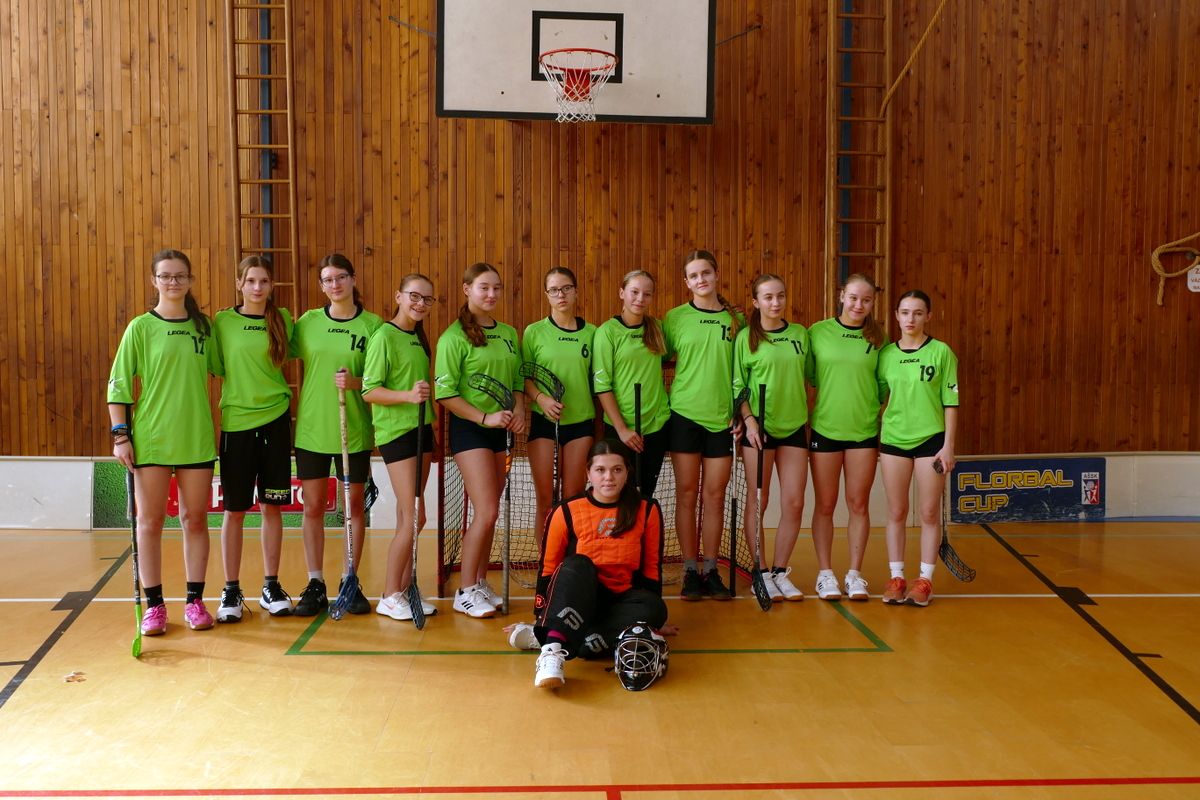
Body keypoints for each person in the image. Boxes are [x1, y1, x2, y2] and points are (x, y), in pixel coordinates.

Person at [108, 249, 218, 634]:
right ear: (154, 280)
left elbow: (227, 367)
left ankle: (195, 602)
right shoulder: (140, 328)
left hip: (196, 437)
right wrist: (121, 436)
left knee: (195, 520)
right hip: (152, 438)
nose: (173, 282)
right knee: (150, 521)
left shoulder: (204, 328)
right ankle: (154, 606)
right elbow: (119, 387)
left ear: (190, 281)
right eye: (166, 276)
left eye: (180, 275)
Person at [519, 439, 668, 690]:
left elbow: (652, 566)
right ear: (588, 473)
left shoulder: (647, 508)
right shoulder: (566, 510)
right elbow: (548, 568)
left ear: (627, 472)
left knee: (655, 607)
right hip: (577, 599)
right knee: (576, 564)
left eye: (617, 470)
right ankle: (551, 651)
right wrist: (540, 616)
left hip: (619, 600)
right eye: (600, 470)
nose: (609, 477)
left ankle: (557, 635)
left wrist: (650, 625)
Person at [290, 254, 383, 616]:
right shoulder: (308, 323)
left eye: (341, 277)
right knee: (313, 507)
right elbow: (275, 348)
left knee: (354, 508)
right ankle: (315, 583)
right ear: (322, 286)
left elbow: (380, 378)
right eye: (328, 280)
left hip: (354, 430)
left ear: (353, 279)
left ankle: (350, 580)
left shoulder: (373, 325)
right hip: (312, 429)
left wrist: (355, 382)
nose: (335, 285)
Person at [434, 262, 524, 619]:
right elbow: (444, 393)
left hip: (501, 429)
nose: (491, 294)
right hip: (470, 429)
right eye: (484, 287)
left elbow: (517, 381)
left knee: (490, 512)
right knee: (486, 512)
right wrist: (484, 417)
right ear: (467, 289)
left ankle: (481, 581)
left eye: (496, 288)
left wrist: (518, 410)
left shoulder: (509, 333)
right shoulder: (453, 337)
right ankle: (466, 590)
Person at [211, 256, 296, 622]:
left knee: (271, 508)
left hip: (276, 421)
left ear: (271, 285)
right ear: (239, 284)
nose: (257, 287)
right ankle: (231, 590)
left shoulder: (283, 319)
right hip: (237, 424)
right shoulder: (222, 321)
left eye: (264, 281)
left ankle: (270, 586)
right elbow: (217, 366)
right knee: (234, 511)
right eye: (251, 281)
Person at [663, 250, 743, 601]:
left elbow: (743, 369)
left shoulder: (736, 320)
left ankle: (711, 570)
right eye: (694, 275)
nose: (701, 280)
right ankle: (690, 570)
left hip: (722, 420)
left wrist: (740, 412)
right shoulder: (675, 318)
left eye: (706, 273)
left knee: (714, 496)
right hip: (684, 415)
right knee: (686, 494)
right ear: (687, 282)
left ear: (716, 274)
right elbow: (658, 358)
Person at [362, 274, 440, 621]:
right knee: (415, 516)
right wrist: (408, 396)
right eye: (414, 296)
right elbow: (370, 390)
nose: (420, 304)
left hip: (421, 429)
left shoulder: (417, 337)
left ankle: (405, 590)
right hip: (397, 433)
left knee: (407, 517)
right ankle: (389, 594)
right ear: (399, 296)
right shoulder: (384, 336)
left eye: (427, 299)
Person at [805, 273, 887, 601]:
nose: (858, 305)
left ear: (873, 302)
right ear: (841, 296)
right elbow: (811, 375)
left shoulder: (878, 338)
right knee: (825, 504)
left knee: (858, 504)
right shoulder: (817, 332)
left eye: (866, 300)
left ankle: (854, 575)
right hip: (825, 429)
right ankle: (825, 575)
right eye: (853, 297)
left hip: (863, 433)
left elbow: (882, 385)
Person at [877, 290, 959, 606]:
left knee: (927, 512)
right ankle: (896, 577)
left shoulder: (941, 352)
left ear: (928, 316)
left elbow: (951, 402)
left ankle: (924, 580)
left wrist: (948, 446)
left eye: (918, 313)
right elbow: (877, 398)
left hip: (931, 441)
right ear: (896, 316)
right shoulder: (886, 355)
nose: (910, 319)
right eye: (905, 312)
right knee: (897, 511)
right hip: (894, 439)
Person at [734, 274, 810, 601]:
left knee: (794, 502)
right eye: (768, 297)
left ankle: (779, 572)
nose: (775, 302)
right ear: (756, 302)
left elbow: (812, 374)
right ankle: (760, 572)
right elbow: (737, 386)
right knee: (758, 501)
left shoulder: (800, 334)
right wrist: (749, 420)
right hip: (759, 430)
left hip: (794, 426)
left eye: (780, 295)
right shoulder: (746, 338)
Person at [522, 267, 598, 540]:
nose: (561, 294)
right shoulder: (534, 332)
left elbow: (599, 381)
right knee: (546, 500)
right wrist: (541, 398)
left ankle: (570, 559)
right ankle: (547, 562)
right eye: (554, 290)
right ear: (547, 295)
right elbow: (524, 378)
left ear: (576, 291)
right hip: (544, 423)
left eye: (566, 288)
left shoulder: (593, 333)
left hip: (581, 424)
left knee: (572, 499)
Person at [592, 270, 670, 498]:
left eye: (647, 294)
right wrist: (622, 430)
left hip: (656, 424)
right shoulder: (607, 332)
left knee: (646, 494)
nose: (640, 299)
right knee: (620, 495)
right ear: (622, 293)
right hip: (621, 427)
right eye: (634, 292)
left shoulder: (657, 328)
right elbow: (602, 385)